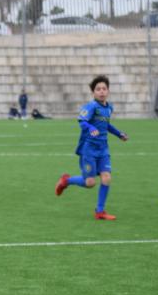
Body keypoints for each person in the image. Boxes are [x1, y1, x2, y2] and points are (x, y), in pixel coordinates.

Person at [55, 75, 128, 221]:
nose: (101, 91)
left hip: (103, 150)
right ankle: (66, 180)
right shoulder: (91, 106)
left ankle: (100, 211)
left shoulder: (108, 108)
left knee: (106, 178)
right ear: (93, 92)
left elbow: (106, 125)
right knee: (90, 183)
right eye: (98, 89)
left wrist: (119, 134)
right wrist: (90, 127)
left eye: (104, 89)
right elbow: (81, 121)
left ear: (108, 91)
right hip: (89, 150)